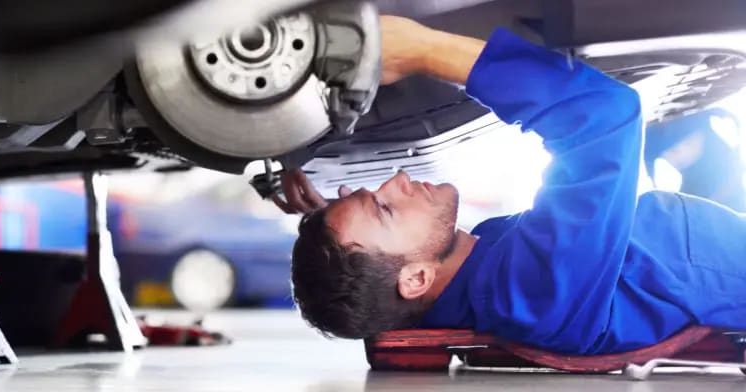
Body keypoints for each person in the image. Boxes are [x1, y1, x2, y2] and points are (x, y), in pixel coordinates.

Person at [276, 15, 746, 355]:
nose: (397, 179)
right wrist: (424, 49)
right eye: (385, 208)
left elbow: (369, 294)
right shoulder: (535, 290)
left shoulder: (479, 277)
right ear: (416, 279)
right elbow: (605, 116)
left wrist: (302, 155)